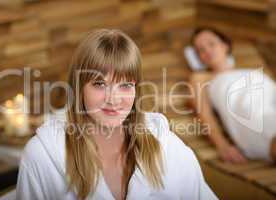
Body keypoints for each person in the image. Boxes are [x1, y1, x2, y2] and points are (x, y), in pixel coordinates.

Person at [16, 29, 217, 200]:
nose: (113, 99)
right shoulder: (42, 157)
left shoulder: (168, 147)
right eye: (99, 84)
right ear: (78, 88)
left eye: (126, 85)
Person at [189, 27, 276, 164]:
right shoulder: (201, 78)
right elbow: (203, 113)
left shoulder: (248, 70)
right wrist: (222, 146)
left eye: (211, 44)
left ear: (225, 45)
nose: (207, 51)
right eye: (200, 50)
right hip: (253, 116)